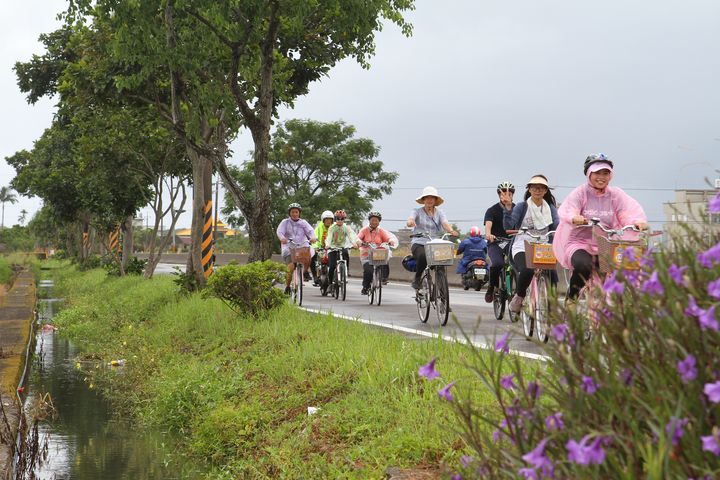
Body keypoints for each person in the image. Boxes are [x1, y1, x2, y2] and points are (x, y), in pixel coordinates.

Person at [553, 154, 648, 300]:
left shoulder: (615, 194)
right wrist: (575, 217)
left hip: (605, 245)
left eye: (605, 173)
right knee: (583, 266)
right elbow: (569, 209)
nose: (601, 177)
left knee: (615, 273)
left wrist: (637, 221)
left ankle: (610, 310)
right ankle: (572, 299)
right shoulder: (580, 192)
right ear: (589, 173)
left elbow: (627, 211)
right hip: (579, 243)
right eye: (597, 173)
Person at [503, 175, 559, 314]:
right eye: (534, 187)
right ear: (529, 189)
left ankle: (551, 304)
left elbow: (556, 225)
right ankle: (519, 297)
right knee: (527, 270)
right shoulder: (522, 206)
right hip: (523, 244)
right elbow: (509, 224)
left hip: (543, 244)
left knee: (552, 273)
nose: (537, 190)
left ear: (546, 190)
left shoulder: (550, 208)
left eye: (541, 188)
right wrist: (508, 207)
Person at [407, 186, 459, 290]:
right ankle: (417, 278)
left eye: (432, 198)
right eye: (427, 197)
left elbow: (445, 224)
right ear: (423, 200)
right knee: (422, 256)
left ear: (435, 200)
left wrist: (451, 231)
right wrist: (410, 222)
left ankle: (443, 295)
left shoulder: (440, 212)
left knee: (442, 263)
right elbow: (410, 220)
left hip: (434, 243)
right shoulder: (416, 211)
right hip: (419, 242)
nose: (430, 200)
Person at [483, 181, 516, 303]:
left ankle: (518, 291)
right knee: (497, 263)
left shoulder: (517, 209)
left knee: (518, 264)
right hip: (495, 242)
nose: (506, 195)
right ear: (499, 195)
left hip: (512, 242)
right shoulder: (492, 210)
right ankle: (491, 288)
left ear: (512, 195)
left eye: (509, 193)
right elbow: (488, 225)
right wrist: (488, 234)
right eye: (503, 193)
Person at [276, 203, 318, 295]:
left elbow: (310, 231)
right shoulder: (285, 222)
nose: (294, 214)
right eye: (292, 212)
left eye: (296, 212)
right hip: (289, 247)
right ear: (289, 213)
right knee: (291, 268)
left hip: (302, 245)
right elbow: (280, 232)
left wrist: (313, 237)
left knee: (309, 255)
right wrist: (282, 238)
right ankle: (287, 286)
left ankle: (306, 271)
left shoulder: (303, 223)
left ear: (299, 213)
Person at [357, 211, 398, 294]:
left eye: (376, 220)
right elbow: (358, 238)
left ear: (379, 222)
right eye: (372, 220)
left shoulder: (381, 231)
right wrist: (359, 242)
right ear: (369, 221)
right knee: (368, 270)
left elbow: (388, 238)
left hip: (378, 254)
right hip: (366, 255)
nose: (374, 222)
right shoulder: (364, 230)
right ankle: (365, 287)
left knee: (385, 259)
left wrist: (390, 241)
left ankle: (383, 278)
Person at [325, 210, 360, 289]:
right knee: (332, 266)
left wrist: (354, 243)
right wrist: (328, 245)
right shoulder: (332, 227)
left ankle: (345, 271)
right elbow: (329, 237)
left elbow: (351, 236)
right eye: (338, 219)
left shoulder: (346, 227)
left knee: (345, 254)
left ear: (344, 219)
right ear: (335, 219)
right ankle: (330, 284)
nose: (340, 221)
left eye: (342, 219)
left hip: (342, 246)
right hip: (332, 248)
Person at [310, 210, 335, 285]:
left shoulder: (334, 227)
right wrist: (316, 247)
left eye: (330, 220)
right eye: (326, 220)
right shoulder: (319, 228)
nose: (328, 221)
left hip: (331, 248)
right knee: (312, 256)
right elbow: (315, 238)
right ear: (323, 220)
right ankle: (315, 276)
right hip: (321, 248)